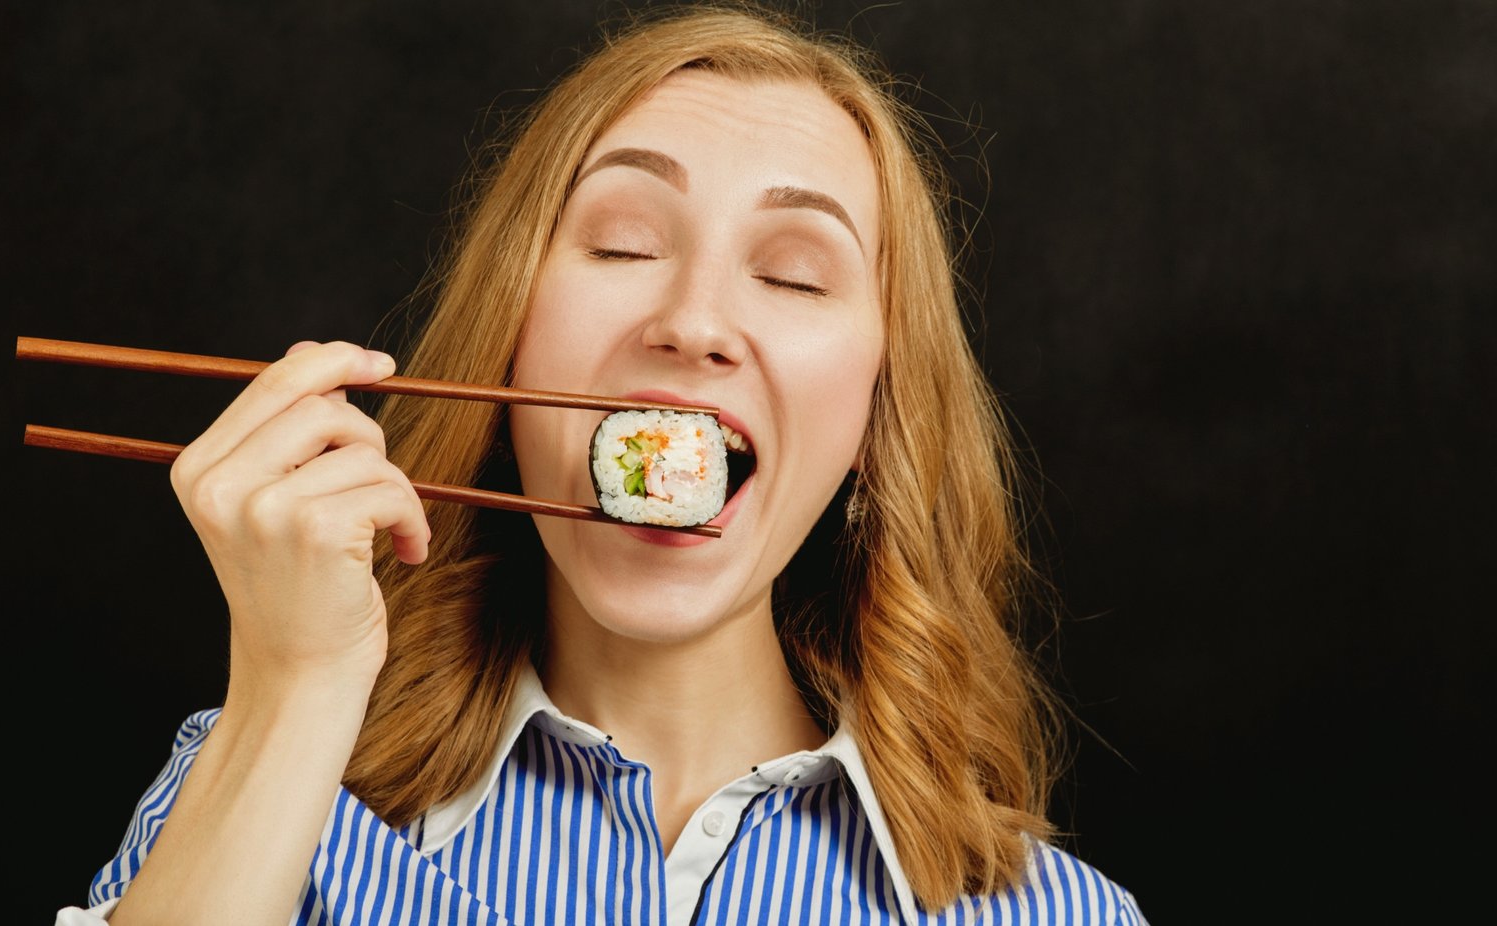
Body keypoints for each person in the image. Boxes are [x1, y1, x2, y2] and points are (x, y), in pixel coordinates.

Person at [56, 5, 1146, 924]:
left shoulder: (1048, 911)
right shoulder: (265, 784)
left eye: (796, 275)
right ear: (512, 332)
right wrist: (291, 690)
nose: (692, 320)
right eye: (624, 245)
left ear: (873, 416)